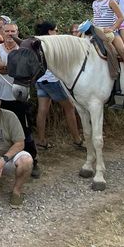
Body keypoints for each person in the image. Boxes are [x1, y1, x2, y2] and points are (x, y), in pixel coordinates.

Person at [0, 22, 42, 177]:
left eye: (13, 31)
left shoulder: (23, 49)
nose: (10, 34)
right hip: (1, 96)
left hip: (19, 97)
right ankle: (5, 161)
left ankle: (32, 161)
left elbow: (2, 66)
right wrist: (14, 66)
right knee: (2, 130)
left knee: (24, 130)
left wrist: (4, 66)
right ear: (2, 32)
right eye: (7, 31)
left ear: (17, 32)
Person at [33, 21, 84, 151]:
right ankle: (77, 140)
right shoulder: (52, 42)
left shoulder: (37, 42)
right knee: (70, 108)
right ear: (50, 31)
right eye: (55, 30)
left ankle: (41, 140)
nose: (57, 32)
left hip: (40, 80)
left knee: (42, 110)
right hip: (53, 80)